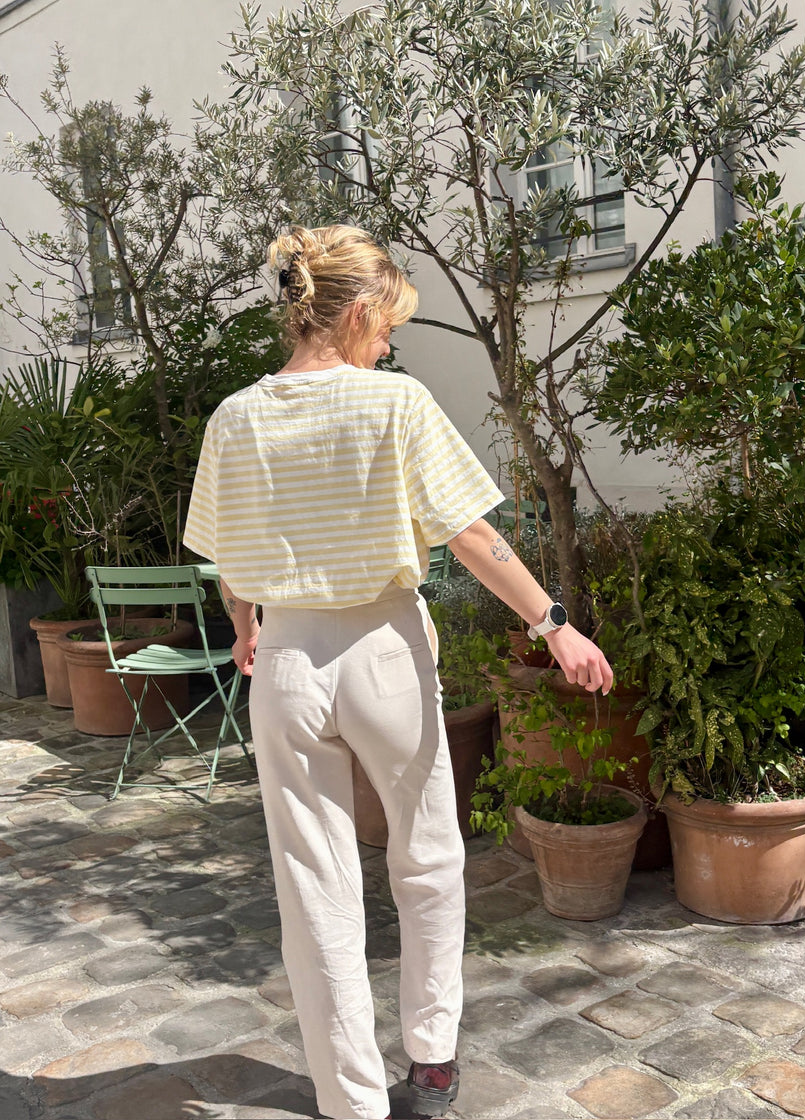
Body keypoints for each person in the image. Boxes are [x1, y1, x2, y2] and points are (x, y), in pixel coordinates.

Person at [183, 225, 612, 1120]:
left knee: (313, 883)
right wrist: (555, 625)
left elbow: (231, 558)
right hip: (384, 651)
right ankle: (431, 1063)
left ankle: (350, 1102)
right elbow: (472, 534)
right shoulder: (395, 403)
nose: (388, 347)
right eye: (387, 329)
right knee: (427, 858)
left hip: (287, 661)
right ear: (360, 314)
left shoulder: (235, 417)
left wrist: (246, 627)